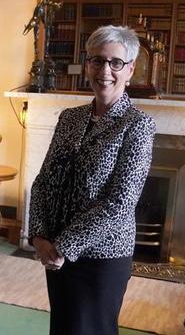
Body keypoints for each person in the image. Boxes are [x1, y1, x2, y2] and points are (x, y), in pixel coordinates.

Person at [28, 25, 155, 335]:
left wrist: (64, 246)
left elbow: (120, 203)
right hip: (56, 252)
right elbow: (44, 181)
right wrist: (39, 236)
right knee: (63, 328)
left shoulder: (138, 126)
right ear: (87, 65)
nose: (105, 71)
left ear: (130, 70)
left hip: (102, 258)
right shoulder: (69, 118)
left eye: (115, 63)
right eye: (97, 61)